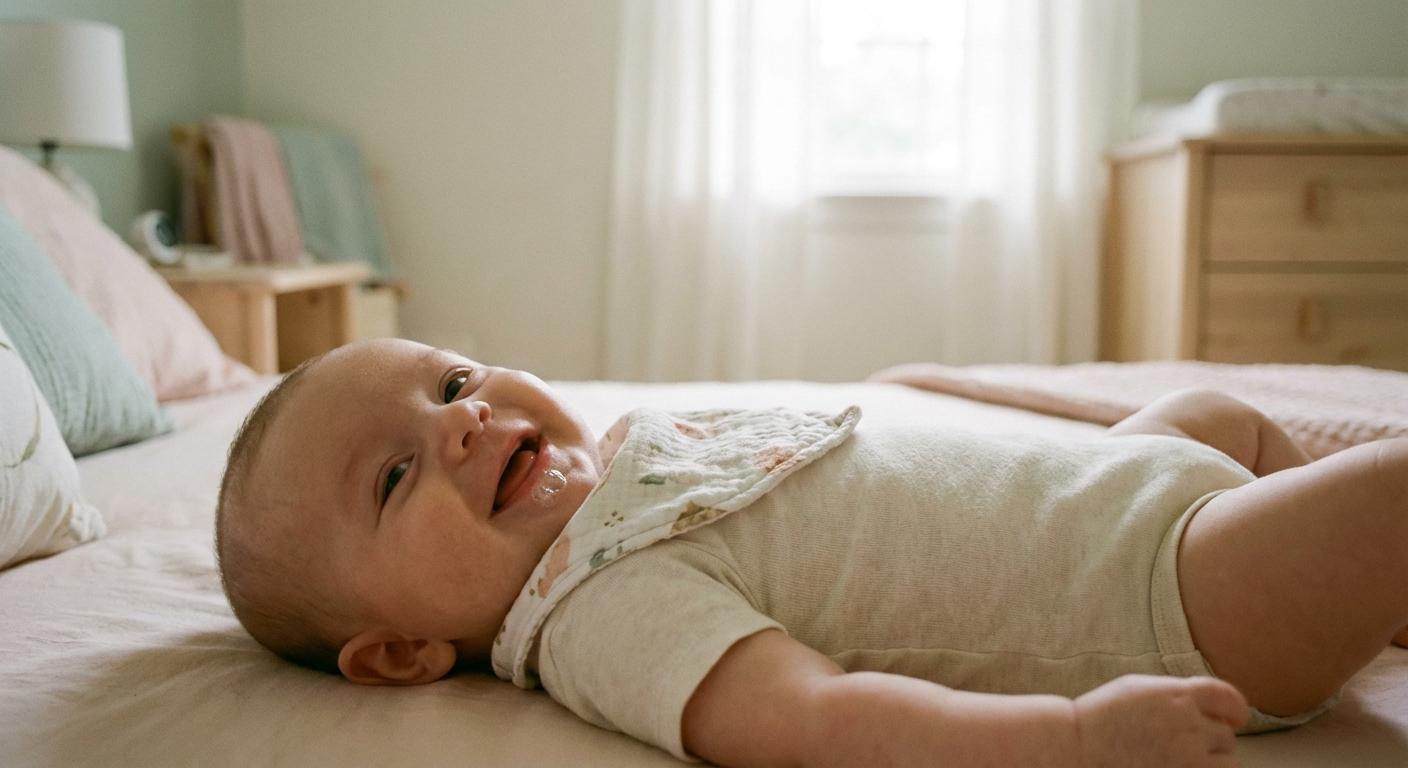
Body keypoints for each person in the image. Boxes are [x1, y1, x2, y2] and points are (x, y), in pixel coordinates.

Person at [215, 338, 1408, 767]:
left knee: (1216, 414)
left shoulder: (622, 467)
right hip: (1170, 595)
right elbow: (818, 720)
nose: (463, 420)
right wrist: (1072, 739)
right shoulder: (599, 607)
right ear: (401, 653)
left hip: (1119, 493)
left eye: (451, 382)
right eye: (393, 474)